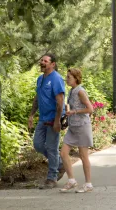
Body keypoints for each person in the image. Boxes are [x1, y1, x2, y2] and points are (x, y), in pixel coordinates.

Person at [28, 53, 66, 189]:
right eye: (41, 60)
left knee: (51, 147)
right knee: (38, 144)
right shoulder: (40, 79)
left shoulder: (56, 79)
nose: (42, 62)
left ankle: (52, 177)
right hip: (42, 119)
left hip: (53, 119)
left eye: (45, 61)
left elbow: (60, 102)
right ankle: (60, 163)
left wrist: (57, 121)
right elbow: (37, 97)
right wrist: (31, 114)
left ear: (52, 64)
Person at [59, 68, 94, 193]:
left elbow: (90, 109)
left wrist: (74, 111)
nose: (66, 79)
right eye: (67, 76)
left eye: (69, 77)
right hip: (73, 127)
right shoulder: (71, 91)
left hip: (82, 127)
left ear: (76, 78)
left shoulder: (80, 91)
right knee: (63, 153)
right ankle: (72, 180)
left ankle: (88, 184)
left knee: (83, 156)